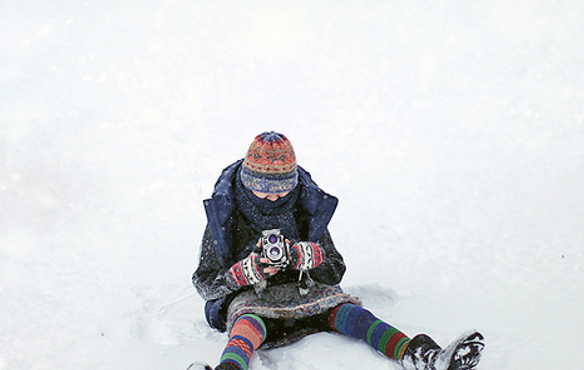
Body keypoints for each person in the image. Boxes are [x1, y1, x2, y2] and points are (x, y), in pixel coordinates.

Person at [192, 131, 485, 370]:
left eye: (282, 189)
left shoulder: (304, 207)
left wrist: (306, 257)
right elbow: (205, 284)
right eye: (265, 190)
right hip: (253, 302)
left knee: (356, 315)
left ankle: (422, 357)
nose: (274, 197)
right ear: (248, 182)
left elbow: (334, 270)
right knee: (245, 326)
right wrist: (243, 273)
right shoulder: (225, 214)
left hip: (310, 297)